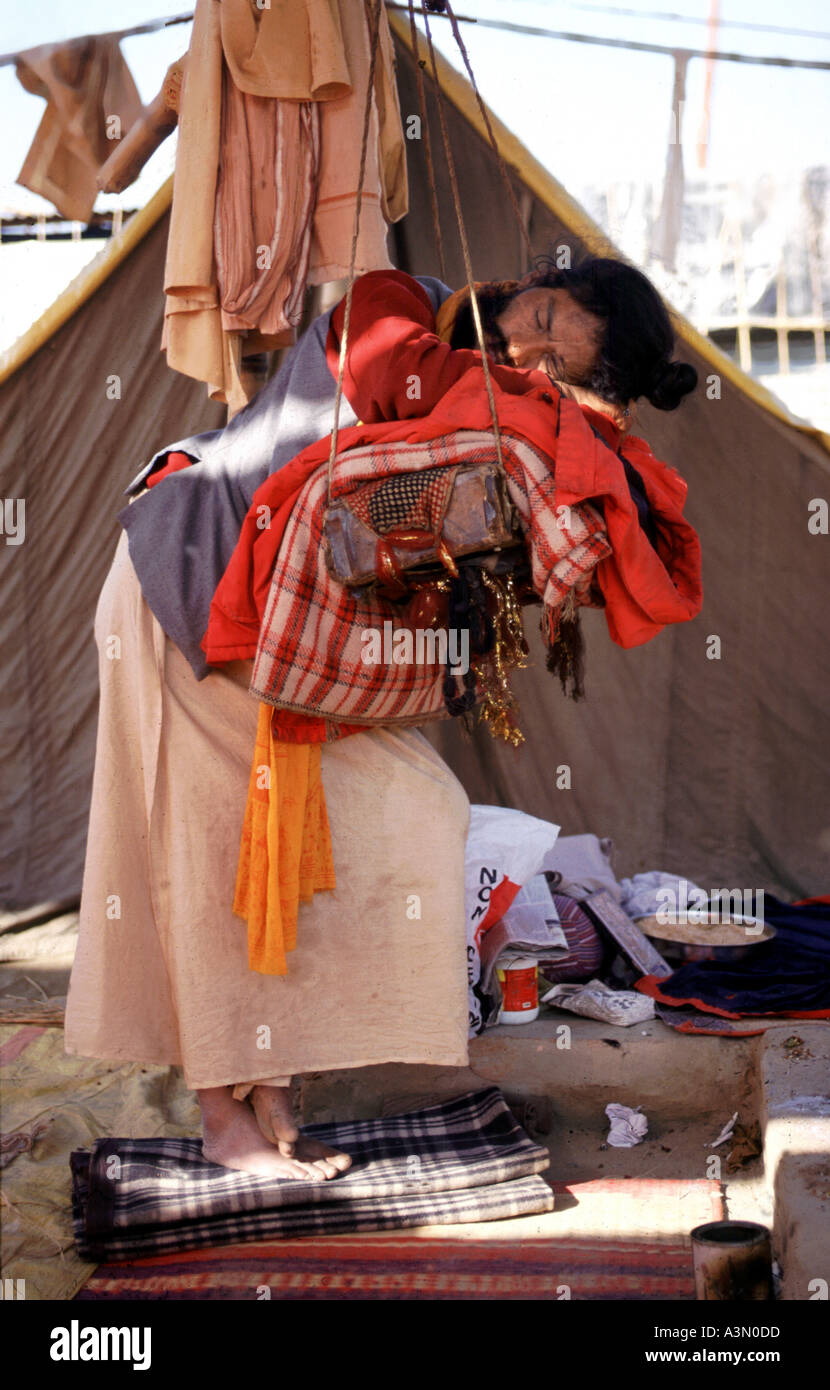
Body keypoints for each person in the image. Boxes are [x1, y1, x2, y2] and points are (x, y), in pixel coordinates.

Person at [64, 255, 701, 1180]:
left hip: (286, 649)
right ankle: (222, 1117)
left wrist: (560, 418)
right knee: (205, 852)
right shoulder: (397, 299)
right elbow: (392, 377)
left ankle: (275, 1086)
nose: (524, 345)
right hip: (185, 584)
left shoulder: (494, 403)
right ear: (534, 277)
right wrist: (549, 401)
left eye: (555, 363)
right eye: (544, 313)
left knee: (376, 827)